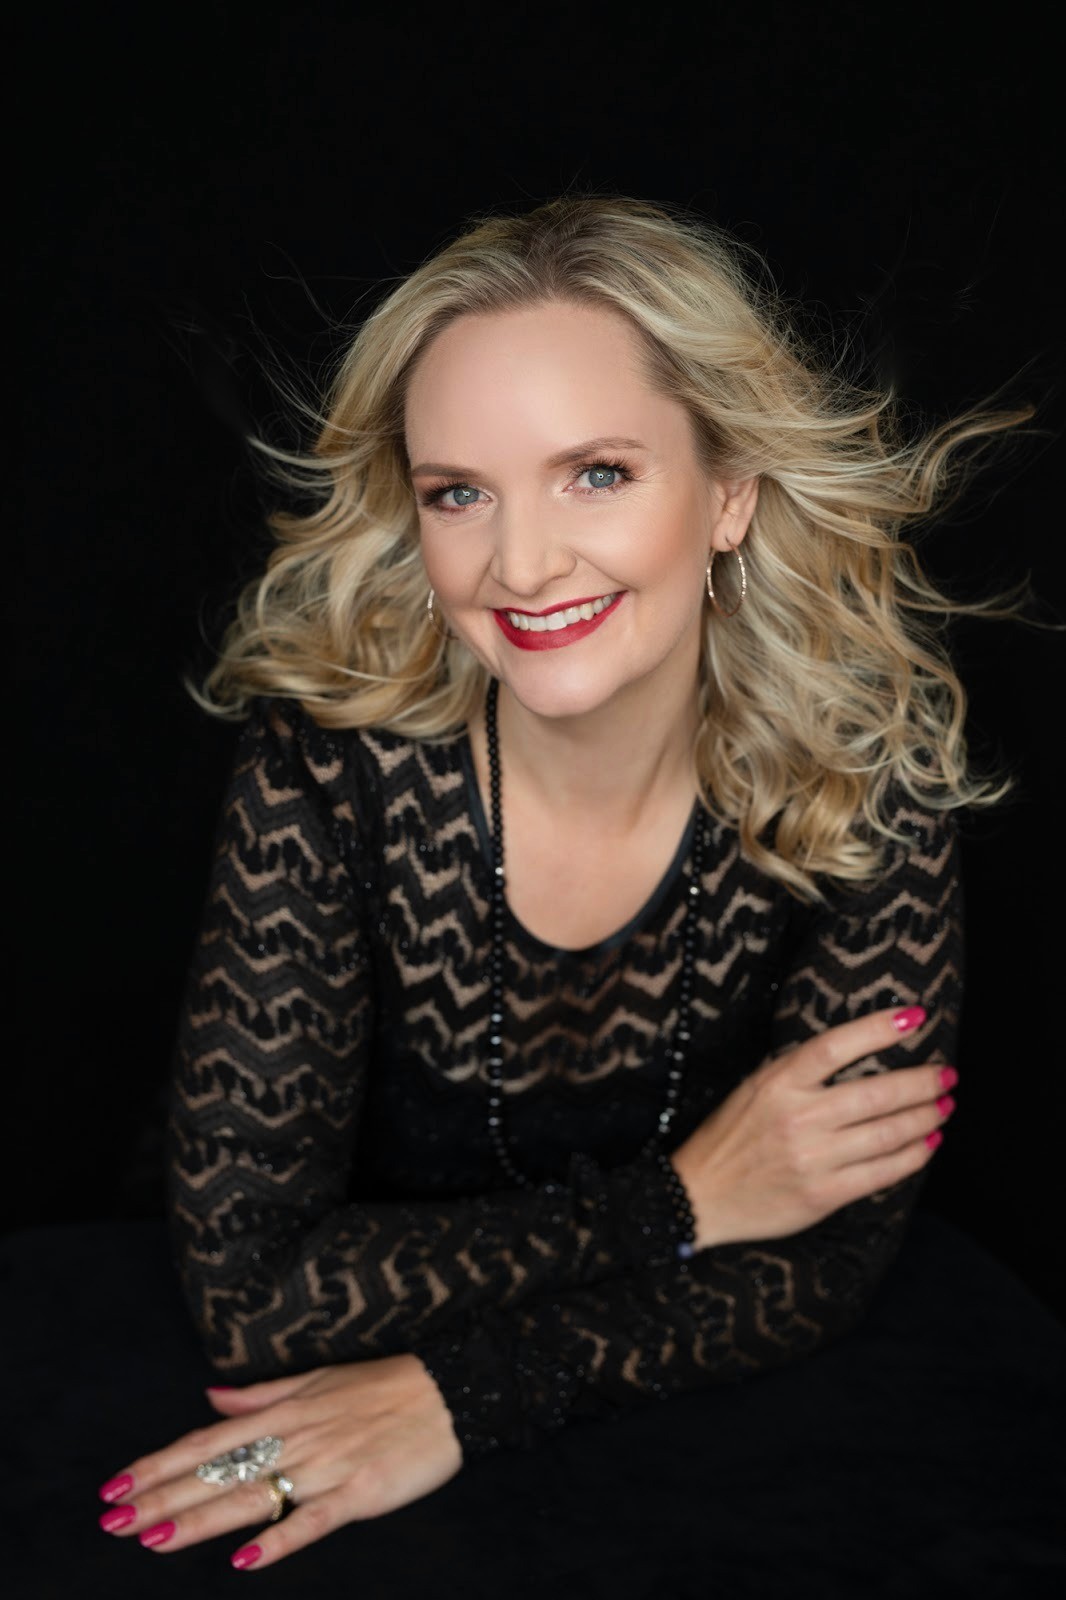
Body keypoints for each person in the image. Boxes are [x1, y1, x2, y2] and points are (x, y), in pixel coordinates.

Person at [95, 194, 1031, 1575]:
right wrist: (686, 1204)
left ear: (728, 492)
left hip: (704, 1473)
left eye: (596, 472)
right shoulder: (330, 769)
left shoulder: (859, 780)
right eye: (457, 492)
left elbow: (826, 1261)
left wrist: (459, 1395)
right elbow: (255, 1300)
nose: (520, 564)